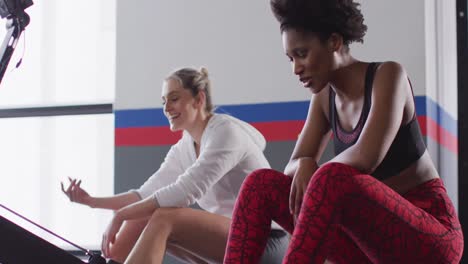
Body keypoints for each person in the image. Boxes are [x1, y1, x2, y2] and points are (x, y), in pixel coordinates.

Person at [222, 1, 464, 263]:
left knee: (331, 177)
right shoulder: (324, 98)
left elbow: (365, 158)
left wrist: (313, 170)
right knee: (260, 185)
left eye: (302, 53)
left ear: (334, 42)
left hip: (430, 238)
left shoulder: (388, 75)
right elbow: (293, 167)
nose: (296, 68)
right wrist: (304, 161)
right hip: (366, 244)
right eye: (291, 58)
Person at [61, 67, 288, 264]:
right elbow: (144, 195)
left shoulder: (225, 133)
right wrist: (91, 202)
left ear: (199, 100)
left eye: (174, 98)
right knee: (145, 214)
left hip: (267, 241)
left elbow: (186, 191)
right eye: (164, 101)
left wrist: (120, 216)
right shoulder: (185, 147)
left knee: (164, 217)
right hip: (233, 239)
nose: (166, 107)